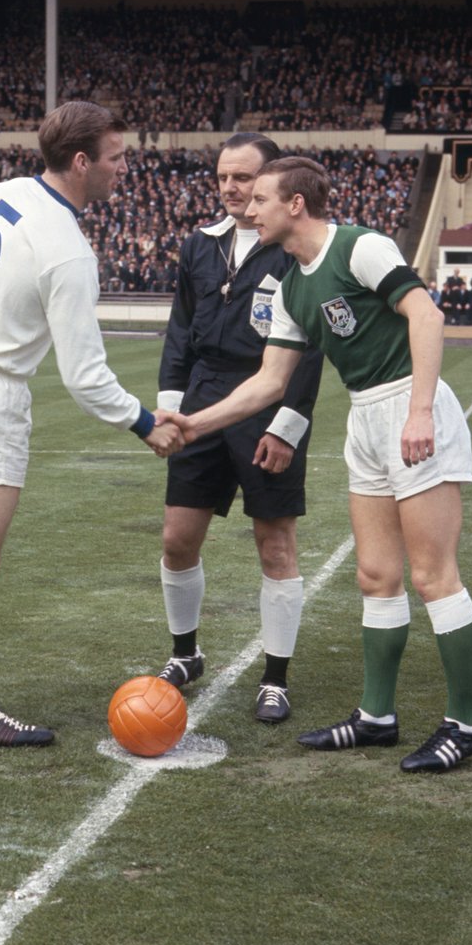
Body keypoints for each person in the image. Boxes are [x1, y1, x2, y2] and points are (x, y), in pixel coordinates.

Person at [166, 157, 472, 773]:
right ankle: (376, 717)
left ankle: (466, 724)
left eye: (259, 198)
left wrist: (420, 411)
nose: (248, 209)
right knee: (375, 575)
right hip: (365, 417)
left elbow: (427, 314)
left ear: (295, 205)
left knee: (432, 577)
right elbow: (269, 382)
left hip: (408, 405)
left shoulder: (359, 246)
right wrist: (193, 423)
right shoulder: (290, 285)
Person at [0, 101, 183, 747]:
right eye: (116, 157)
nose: (124, 168)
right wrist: (144, 422)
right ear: (81, 162)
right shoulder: (70, 252)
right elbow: (84, 377)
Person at [155, 133, 323, 724]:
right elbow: (179, 332)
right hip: (202, 398)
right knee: (178, 538)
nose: (230, 187)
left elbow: (308, 350)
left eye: (244, 178)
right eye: (223, 176)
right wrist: (170, 407)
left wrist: (287, 426)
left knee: (274, 544)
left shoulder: (294, 250)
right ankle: (185, 653)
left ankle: (275, 678)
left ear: (272, 182)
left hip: (265, 401)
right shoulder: (198, 246)